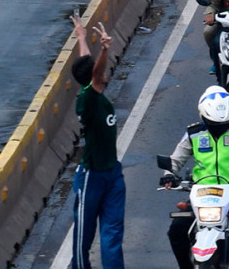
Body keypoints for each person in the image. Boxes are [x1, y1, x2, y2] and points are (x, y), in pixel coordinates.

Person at [161, 86, 229, 269]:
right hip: (200, 195)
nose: (218, 129)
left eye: (223, 125)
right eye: (213, 125)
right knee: (176, 230)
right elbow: (175, 159)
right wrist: (168, 175)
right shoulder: (193, 134)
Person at [69, 15, 125, 269]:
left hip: (113, 173)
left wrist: (81, 37)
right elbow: (96, 70)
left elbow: (90, 66)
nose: (105, 71)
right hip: (91, 177)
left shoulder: (95, 92)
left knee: (112, 235)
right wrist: (104, 49)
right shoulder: (88, 101)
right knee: (84, 237)